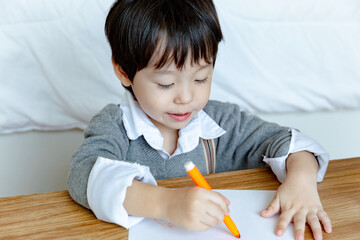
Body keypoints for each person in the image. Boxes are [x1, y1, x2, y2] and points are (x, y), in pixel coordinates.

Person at [67, 0, 332, 239]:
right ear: (124, 72)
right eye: (166, 83)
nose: (186, 97)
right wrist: (166, 204)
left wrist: (301, 181)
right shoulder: (114, 124)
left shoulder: (220, 120)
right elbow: (84, 175)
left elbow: (289, 142)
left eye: (200, 78)